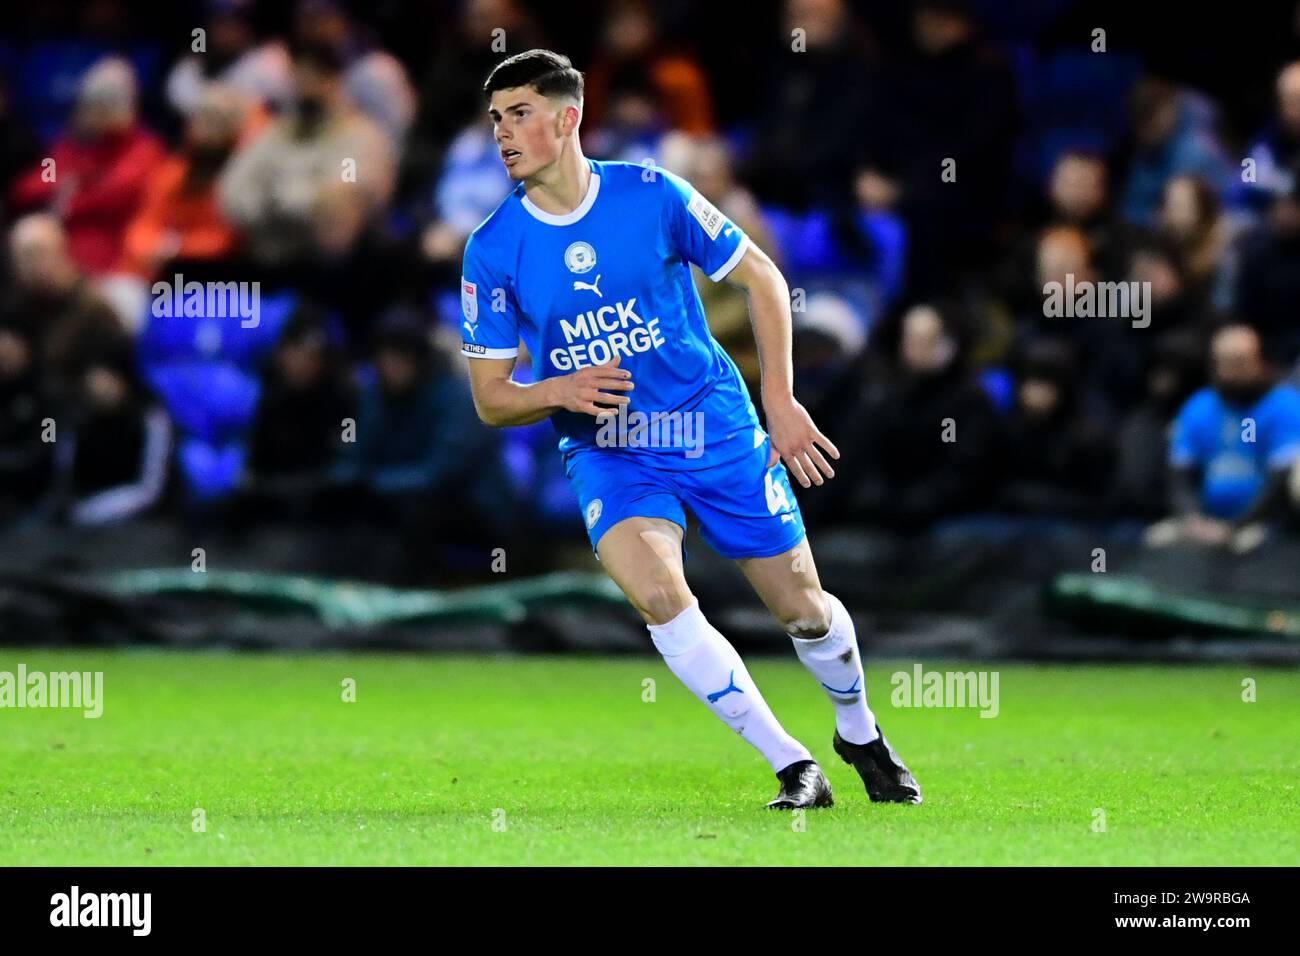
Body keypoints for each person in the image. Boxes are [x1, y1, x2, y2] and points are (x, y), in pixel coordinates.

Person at [459, 50, 920, 810]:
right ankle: (793, 764)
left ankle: (858, 729)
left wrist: (779, 399)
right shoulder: (492, 248)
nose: (503, 134)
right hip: (610, 451)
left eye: (519, 115)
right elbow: (491, 398)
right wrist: (561, 389)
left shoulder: (650, 195)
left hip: (713, 424)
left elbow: (762, 278)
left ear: (566, 118)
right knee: (658, 594)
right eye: (495, 120)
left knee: (803, 607)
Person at [1149, 323, 1300, 551]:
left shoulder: (1285, 405)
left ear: (1261, 361)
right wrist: (1193, 519)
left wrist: (1235, 526)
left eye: (1240, 361)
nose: (1232, 371)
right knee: (1156, 540)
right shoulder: (1199, 405)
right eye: (1224, 362)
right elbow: (1180, 476)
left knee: (1249, 546)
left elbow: (1279, 483)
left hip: (1262, 522)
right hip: (1204, 520)